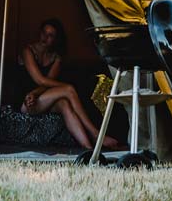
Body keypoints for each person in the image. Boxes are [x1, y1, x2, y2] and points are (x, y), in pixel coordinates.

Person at [18, 18, 120, 152]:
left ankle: (88, 149)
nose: (45, 38)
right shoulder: (28, 51)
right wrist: (64, 86)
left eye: (50, 36)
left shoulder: (55, 57)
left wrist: (36, 93)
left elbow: (48, 84)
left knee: (64, 103)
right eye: (44, 33)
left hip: (41, 97)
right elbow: (40, 80)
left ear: (55, 39)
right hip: (26, 101)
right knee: (68, 89)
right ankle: (95, 134)